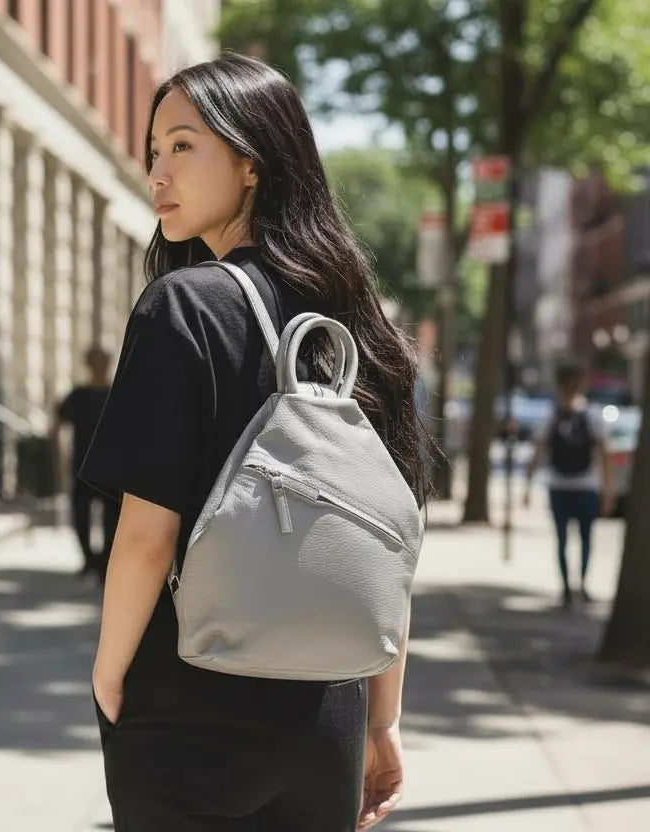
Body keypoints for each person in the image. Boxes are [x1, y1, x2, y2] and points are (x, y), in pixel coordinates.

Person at [80, 53, 429, 831]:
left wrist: (109, 675)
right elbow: (387, 545)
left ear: (249, 162)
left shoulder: (186, 308)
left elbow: (145, 536)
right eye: (152, 152)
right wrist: (382, 720)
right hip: (329, 713)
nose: (157, 173)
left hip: (191, 699)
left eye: (181, 145)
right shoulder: (366, 332)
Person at [524, 362, 615, 607]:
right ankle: (582, 586)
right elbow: (606, 455)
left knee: (562, 540)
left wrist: (528, 486)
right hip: (587, 486)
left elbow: (537, 453)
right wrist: (608, 490)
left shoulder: (550, 416)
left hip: (559, 486)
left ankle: (566, 588)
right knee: (586, 539)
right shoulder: (594, 415)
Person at [50, 346, 118, 580]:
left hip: (111, 469)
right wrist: (59, 461)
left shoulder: (117, 394)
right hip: (82, 466)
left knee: (112, 519)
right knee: (81, 517)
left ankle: (104, 562)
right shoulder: (78, 396)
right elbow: (56, 426)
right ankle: (90, 561)